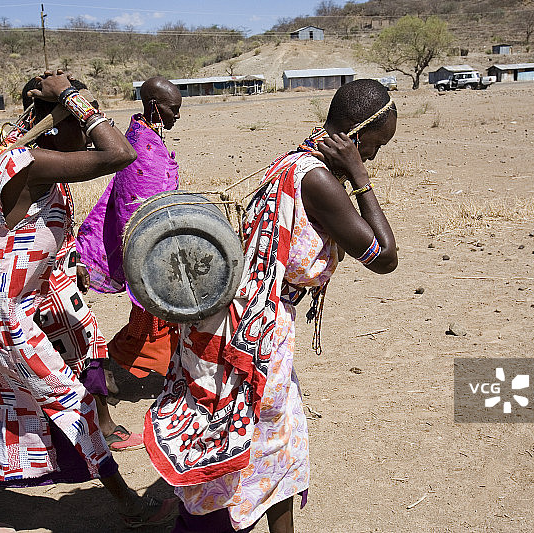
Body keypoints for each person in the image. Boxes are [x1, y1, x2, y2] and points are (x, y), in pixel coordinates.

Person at [143, 79, 398, 532]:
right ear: (355, 137)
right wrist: (361, 177)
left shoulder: (294, 160)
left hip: (248, 317)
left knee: (279, 436)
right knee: (237, 442)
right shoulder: (318, 178)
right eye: (375, 145)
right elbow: (384, 257)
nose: (375, 155)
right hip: (253, 330)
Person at [0, 71, 168, 533]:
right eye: (77, 122)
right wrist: (71, 97)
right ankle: (128, 505)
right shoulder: (31, 159)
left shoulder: (21, 155)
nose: (86, 133)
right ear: (55, 118)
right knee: (71, 399)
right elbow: (120, 153)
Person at [76, 76, 182, 445]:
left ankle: (111, 371)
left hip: (157, 251)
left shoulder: (144, 139)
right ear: (155, 106)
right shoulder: (142, 148)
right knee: (163, 318)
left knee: (152, 323)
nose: (177, 117)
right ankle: (171, 378)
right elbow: (135, 212)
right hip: (150, 254)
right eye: (173, 109)